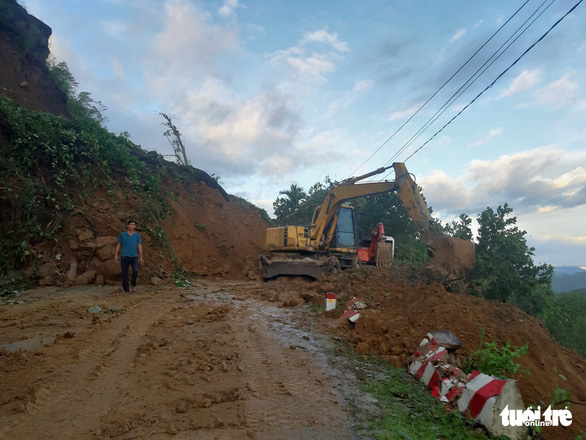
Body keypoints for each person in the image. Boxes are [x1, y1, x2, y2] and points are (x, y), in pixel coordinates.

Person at [114, 219, 144, 293]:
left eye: (133, 225)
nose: (131, 226)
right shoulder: (123, 235)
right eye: (130, 224)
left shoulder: (137, 236)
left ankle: (133, 284)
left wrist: (141, 257)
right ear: (127, 226)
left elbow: (139, 246)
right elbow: (118, 244)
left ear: (135, 226)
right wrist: (116, 254)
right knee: (124, 274)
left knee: (135, 271)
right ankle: (126, 289)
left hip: (134, 257)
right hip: (124, 257)